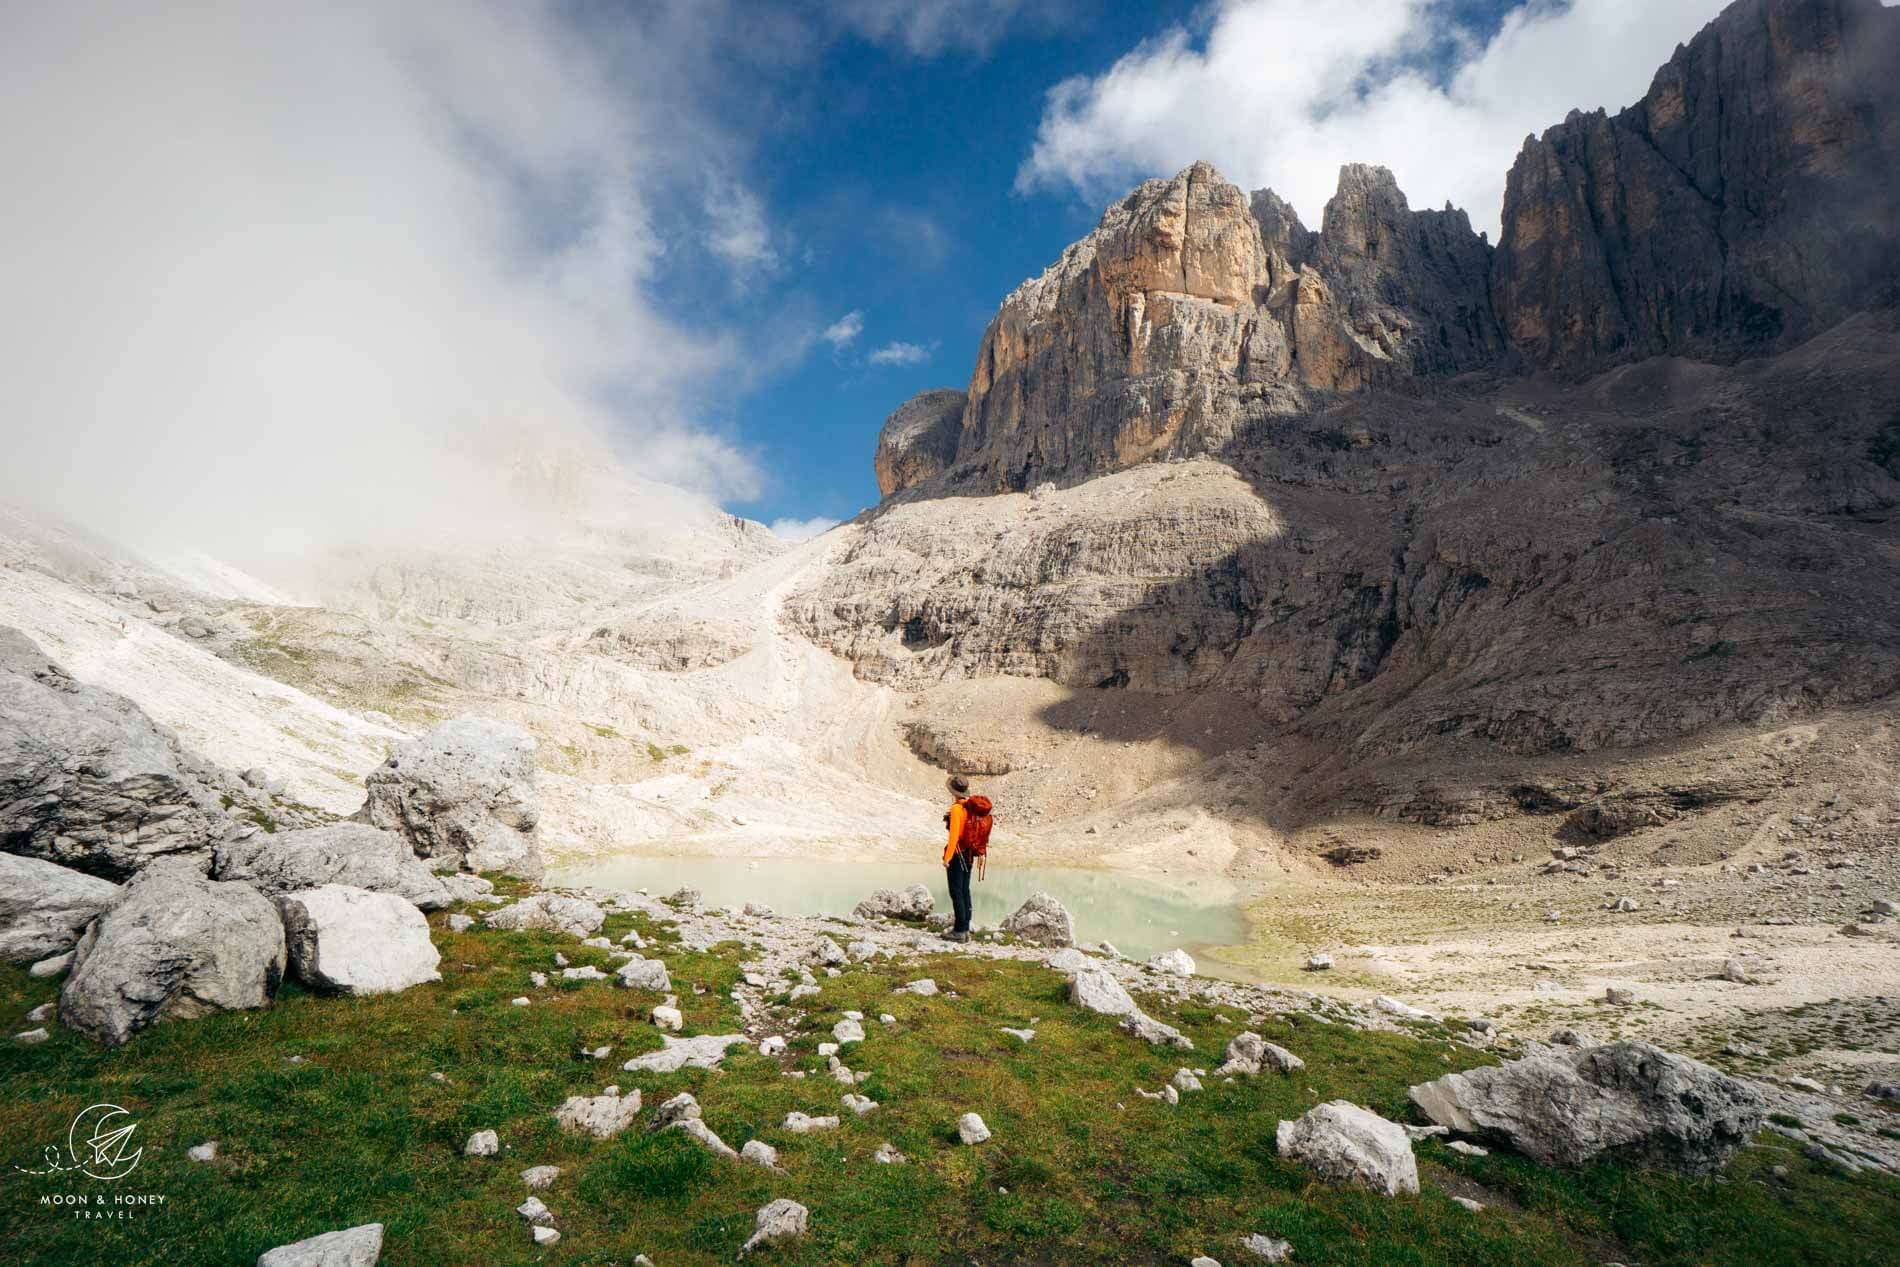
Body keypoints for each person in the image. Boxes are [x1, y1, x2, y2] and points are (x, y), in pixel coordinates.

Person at [942, 775, 975, 941]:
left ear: (953, 792)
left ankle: (959, 931)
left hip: (957, 854)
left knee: (956, 892)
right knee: (964, 890)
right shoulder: (969, 807)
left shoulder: (956, 809)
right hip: (969, 854)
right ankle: (965, 928)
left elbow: (954, 836)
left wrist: (947, 858)